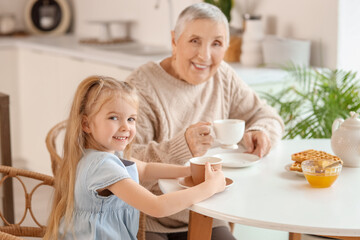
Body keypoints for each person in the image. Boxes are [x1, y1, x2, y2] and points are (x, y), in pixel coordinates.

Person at [126, 2, 285, 240]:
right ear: (174, 41)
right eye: (194, 41)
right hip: (148, 218)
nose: (205, 55)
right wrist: (181, 147)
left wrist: (260, 131)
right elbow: (125, 160)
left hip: (209, 212)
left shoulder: (223, 77)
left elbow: (268, 116)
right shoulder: (142, 87)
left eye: (216, 44)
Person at [43, 76, 226, 240]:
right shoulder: (101, 166)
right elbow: (157, 207)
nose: (125, 127)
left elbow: (146, 169)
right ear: (86, 124)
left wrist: (188, 170)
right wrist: (209, 187)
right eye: (114, 117)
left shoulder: (105, 155)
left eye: (131, 119)